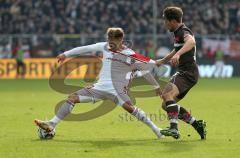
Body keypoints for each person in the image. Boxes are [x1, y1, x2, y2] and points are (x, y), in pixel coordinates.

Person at [34, 27, 165, 139]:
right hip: (99, 88)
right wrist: (65, 54)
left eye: (112, 41)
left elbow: (145, 71)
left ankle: (157, 130)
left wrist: (156, 86)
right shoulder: (104, 47)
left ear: (120, 40)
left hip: (116, 90)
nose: (110, 43)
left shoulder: (129, 54)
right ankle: (52, 123)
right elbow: (85, 48)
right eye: (109, 40)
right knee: (72, 98)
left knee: (131, 109)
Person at [156, 7, 206, 139]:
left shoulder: (183, 31)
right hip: (188, 73)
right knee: (166, 104)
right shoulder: (178, 33)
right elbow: (176, 49)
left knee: (167, 94)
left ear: (172, 21)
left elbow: (191, 42)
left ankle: (174, 129)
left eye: (166, 21)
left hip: (187, 72)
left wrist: (178, 55)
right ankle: (197, 124)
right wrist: (162, 61)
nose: (165, 24)